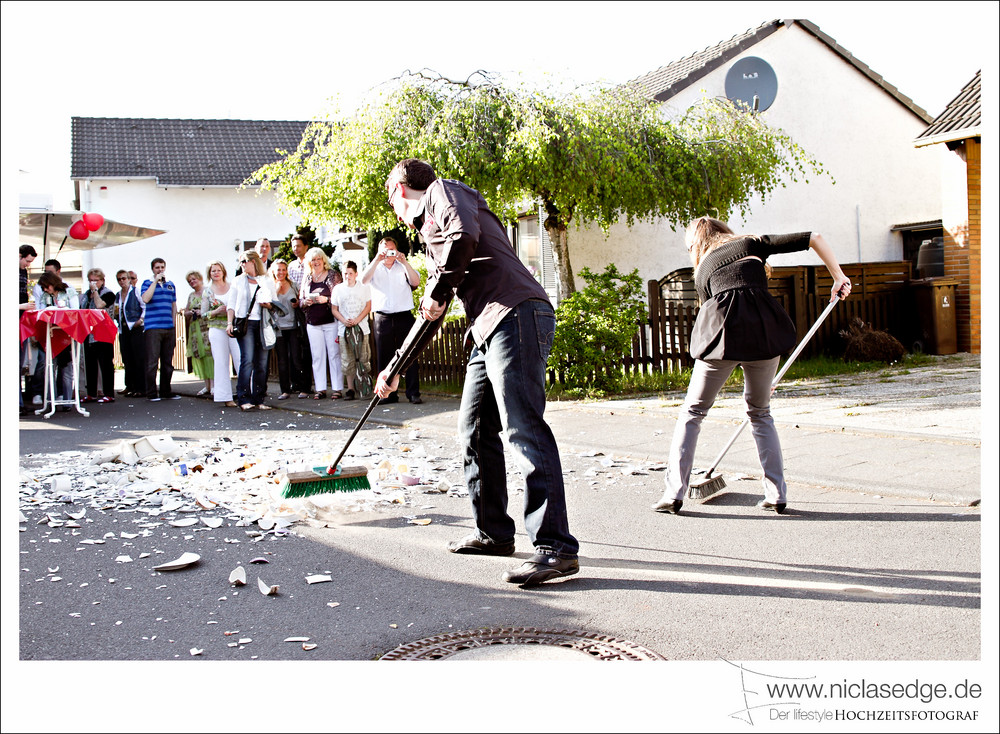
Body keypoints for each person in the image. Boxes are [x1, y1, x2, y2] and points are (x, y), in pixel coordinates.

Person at [379, 158, 578, 586]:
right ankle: (493, 532)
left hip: (515, 314)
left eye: (390, 199)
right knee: (472, 428)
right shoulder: (434, 238)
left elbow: (463, 239)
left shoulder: (443, 193)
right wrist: (395, 367)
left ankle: (556, 547)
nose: (393, 211)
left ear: (399, 189)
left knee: (523, 428)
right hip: (487, 329)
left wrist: (438, 288)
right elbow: (433, 308)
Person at [652, 217, 853, 516]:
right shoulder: (752, 243)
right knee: (760, 411)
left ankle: (674, 492)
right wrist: (838, 277)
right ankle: (776, 494)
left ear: (696, 243)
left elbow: (713, 311)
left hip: (722, 336)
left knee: (693, 412)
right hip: (765, 333)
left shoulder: (703, 269)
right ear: (725, 233)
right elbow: (815, 236)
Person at [361, 235, 422, 405]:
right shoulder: (375, 267)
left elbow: (415, 281)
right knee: (384, 356)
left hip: (404, 315)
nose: (389, 253)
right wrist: (376, 259)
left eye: (392, 249)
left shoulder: (402, 266)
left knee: (409, 355)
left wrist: (404, 261)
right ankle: (387, 395)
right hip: (383, 317)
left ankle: (413, 393)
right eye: (385, 249)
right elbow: (363, 280)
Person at [227, 250, 274, 410]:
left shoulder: (266, 280)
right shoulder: (238, 281)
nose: (242, 265)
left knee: (262, 362)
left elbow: (274, 302)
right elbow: (231, 304)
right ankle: (243, 398)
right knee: (247, 360)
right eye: (240, 262)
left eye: (244, 261)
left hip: (263, 323)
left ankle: (259, 398)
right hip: (245, 324)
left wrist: (268, 305)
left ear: (253, 261)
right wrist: (229, 323)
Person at [301, 248, 344, 400]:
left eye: (318, 259)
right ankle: (320, 389)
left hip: (330, 321)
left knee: (334, 354)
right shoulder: (307, 278)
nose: (316, 262)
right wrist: (305, 302)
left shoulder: (332, 275)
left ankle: (337, 388)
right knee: (317, 356)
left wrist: (327, 300)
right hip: (313, 323)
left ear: (323, 260)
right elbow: (301, 301)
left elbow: (340, 297)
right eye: (313, 260)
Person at [330, 260, 372, 401]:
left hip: (361, 328)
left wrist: (358, 319)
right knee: (347, 359)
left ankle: (364, 386)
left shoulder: (364, 288)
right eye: (345, 273)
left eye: (350, 273)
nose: (348, 276)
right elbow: (334, 309)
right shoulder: (338, 289)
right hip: (344, 329)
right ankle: (350, 389)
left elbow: (367, 306)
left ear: (356, 274)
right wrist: (344, 321)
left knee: (363, 357)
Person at [268, 259, 309, 400]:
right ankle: (285, 390)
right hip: (278, 328)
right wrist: (276, 291)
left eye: (283, 269)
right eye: (278, 270)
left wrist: (298, 304)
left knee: (296, 358)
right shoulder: (270, 287)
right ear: (273, 271)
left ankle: (303, 388)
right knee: (282, 360)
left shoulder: (294, 286)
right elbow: (268, 305)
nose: (281, 272)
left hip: (293, 326)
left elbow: (301, 301)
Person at [36, 272, 80, 403]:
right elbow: (41, 312)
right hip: (51, 334)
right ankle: (50, 400)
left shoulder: (69, 291)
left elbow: (75, 310)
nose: (44, 289)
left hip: (67, 334)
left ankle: (67, 400)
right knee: (49, 367)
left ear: (52, 283)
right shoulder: (45, 296)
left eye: (46, 286)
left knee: (66, 369)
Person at [201, 260, 240, 408]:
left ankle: (246, 393)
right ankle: (225, 396)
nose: (216, 273)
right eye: (213, 271)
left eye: (218, 270)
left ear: (223, 271)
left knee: (240, 359)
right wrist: (216, 311)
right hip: (216, 328)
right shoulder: (208, 291)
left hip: (234, 328)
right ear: (209, 274)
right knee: (221, 362)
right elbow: (203, 314)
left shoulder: (233, 287)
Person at [140, 258, 180, 401]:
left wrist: (173, 323)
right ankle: (151, 392)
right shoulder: (147, 283)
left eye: (162, 267)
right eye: (157, 267)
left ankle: (166, 391)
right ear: (153, 269)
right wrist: (155, 281)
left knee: (167, 362)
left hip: (168, 327)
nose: (160, 269)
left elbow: (173, 304)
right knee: (152, 362)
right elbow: (145, 298)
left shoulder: (171, 285)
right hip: (153, 327)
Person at [79, 268, 117, 403]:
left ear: (102, 281)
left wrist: (95, 291)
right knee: (90, 364)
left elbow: (100, 305)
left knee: (105, 363)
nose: (93, 283)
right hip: (89, 333)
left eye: (96, 280)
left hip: (103, 332)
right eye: (91, 280)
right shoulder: (85, 295)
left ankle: (109, 393)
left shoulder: (108, 294)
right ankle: (91, 393)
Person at [286, 234, 314, 397]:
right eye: (293, 246)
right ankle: (298, 382)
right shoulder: (291, 267)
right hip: (295, 311)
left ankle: (308, 384)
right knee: (296, 350)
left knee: (309, 349)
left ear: (305, 246)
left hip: (310, 310)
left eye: (298, 246)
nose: (296, 249)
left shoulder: (311, 263)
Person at [113, 269, 147, 398]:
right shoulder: (118, 294)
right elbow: (117, 309)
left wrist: (141, 320)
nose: (122, 281)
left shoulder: (136, 292)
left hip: (136, 327)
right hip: (123, 328)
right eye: (119, 279)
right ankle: (130, 386)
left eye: (124, 278)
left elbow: (145, 306)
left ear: (129, 279)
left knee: (138, 357)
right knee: (127, 357)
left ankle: (140, 387)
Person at [182, 270, 214, 398]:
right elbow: (186, 311)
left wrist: (203, 311)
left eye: (194, 279)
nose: (192, 282)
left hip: (206, 327)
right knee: (200, 356)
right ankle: (206, 385)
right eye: (190, 281)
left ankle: (213, 385)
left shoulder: (208, 291)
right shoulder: (191, 295)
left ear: (200, 279)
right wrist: (190, 312)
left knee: (209, 355)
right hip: (195, 329)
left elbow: (214, 307)